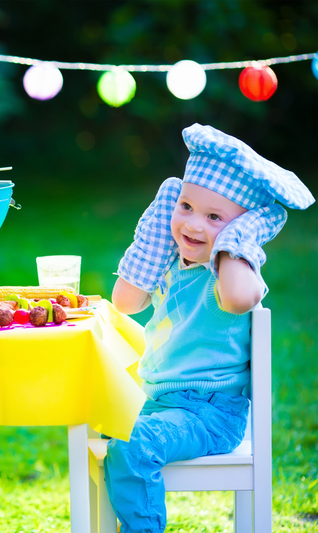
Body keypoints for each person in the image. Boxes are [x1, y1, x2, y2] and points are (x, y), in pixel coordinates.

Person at [105, 123, 314, 532]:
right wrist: (154, 234)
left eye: (214, 217)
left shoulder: (232, 273)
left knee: (131, 445)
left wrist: (237, 240)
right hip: (160, 402)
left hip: (210, 414)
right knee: (95, 417)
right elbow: (125, 301)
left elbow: (239, 299)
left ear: (241, 230)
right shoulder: (170, 260)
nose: (194, 226)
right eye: (185, 206)